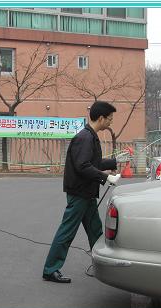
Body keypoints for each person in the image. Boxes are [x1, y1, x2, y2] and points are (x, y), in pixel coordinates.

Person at [42, 101, 123, 283]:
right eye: (109, 119)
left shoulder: (90, 136)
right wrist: (106, 177)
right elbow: (83, 166)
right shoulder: (85, 138)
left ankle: (103, 266)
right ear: (101, 118)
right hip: (79, 193)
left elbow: (91, 162)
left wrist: (113, 162)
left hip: (86, 193)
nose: (110, 122)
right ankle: (50, 269)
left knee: (95, 231)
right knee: (67, 231)